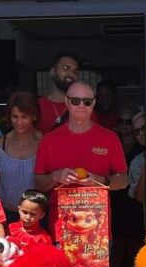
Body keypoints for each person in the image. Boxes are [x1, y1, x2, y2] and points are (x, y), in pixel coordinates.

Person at [33, 80, 128, 231]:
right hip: (61, 227)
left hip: (98, 229)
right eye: (75, 101)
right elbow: (38, 183)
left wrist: (99, 180)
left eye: (87, 102)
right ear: (67, 102)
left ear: (94, 103)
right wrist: (55, 177)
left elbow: (123, 180)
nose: (81, 106)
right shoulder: (49, 140)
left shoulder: (109, 138)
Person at [0, 92, 42, 222]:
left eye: (24, 117)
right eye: (15, 117)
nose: (19, 122)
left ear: (33, 116)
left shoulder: (44, 143)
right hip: (5, 215)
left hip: (36, 217)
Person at [110, 111, 146, 267]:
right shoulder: (138, 161)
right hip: (127, 211)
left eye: (145, 129)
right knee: (122, 254)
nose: (141, 134)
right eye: (137, 131)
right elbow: (139, 196)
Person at [38, 52, 95, 134]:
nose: (71, 74)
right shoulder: (37, 106)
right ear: (53, 71)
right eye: (66, 68)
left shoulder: (84, 108)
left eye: (75, 71)